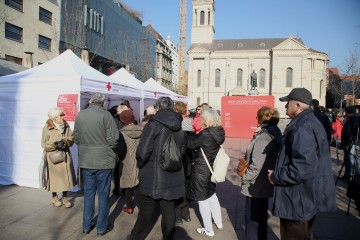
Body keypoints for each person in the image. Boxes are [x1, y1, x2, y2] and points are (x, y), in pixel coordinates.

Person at [268, 88, 336, 240]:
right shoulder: (309, 122)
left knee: (295, 234)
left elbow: (302, 168)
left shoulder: (302, 127)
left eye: (288, 103)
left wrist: (276, 176)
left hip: (296, 200)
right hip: (303, 197)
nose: (285, 107)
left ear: (297, 105)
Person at [129, 97, 185, 240]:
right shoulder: (179, 125)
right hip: (173, 171)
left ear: (158, 108)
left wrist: (141, 166)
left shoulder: (152, 125)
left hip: (153, 173)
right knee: (168, 209)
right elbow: (182, 151)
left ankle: (135, 237)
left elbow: (142, 152)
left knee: (146, 209)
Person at [73, 93, 120, 236]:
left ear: (91, 101)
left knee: (88, 194)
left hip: (87, 159)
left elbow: (76, 137)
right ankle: (101, 227)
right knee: (103, 195)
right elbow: (113, 140)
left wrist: (87, 146)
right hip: (103, 160)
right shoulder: (106, 116)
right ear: (103, 103)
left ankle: (86, 226)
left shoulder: (80, 115)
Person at [241, 106, 282, 240]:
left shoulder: (264, 137)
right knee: (260, 218)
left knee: (253, 220)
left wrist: (245, 179)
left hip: (255, 185)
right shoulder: (273, 133)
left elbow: (256, 165)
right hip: (263, 183)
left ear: (261, 118)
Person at [187, 108, 225, 238]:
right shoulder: (219, 131)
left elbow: (190, 144)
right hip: (211, 169)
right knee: (212, 196)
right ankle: (219, 222)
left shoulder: (205, 134)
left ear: (206, 119)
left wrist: (191, 134)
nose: (200, 119)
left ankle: (208, 229)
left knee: (202, 201)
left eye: (201, 118)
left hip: (202, 170)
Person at [40, 107, 76, 208]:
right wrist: (55, 145)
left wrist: (65, 142)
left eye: (62, 115)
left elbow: (71, 139)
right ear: (54, 117)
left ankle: (65, 197)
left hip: (64, 155)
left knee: (65, 177)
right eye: (61, 115)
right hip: (52, 157)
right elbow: (44, 144)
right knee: (54, 178)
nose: (63, 116)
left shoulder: (66, 125)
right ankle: (54, 197)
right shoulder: (46, 128)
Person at [119, 110, 142, 214]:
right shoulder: (141, 130)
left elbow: (121, 150)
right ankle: (141, 206)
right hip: (140, 159)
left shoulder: (122, 133)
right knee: (138, 183)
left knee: (128, 184)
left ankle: (129, 207)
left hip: (127, 160)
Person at [174, 101, 193, 225]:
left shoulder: (174, 124)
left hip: (177, 160)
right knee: (185, 186)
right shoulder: (188, 124)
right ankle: (186, 213)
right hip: (187, 160)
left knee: (176, 188)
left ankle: (178, 215)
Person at [112, 104, 129, 196]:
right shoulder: (115, 120)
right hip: (119, 146)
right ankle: (118, 187)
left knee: (122, 169)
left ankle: (122, 188)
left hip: (122, 145)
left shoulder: (118, 120)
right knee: (118, 168)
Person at [340, 106, 360, 181]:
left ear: (349, 112)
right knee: (348, 160)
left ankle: (355, 178)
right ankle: (348, 175)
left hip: (351, 143)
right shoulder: (352, 118)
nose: (344, 113)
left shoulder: (354, 118)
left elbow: (351, 131)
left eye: (345, 112)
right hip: (349, 143)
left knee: (352, 160)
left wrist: (349, 139)